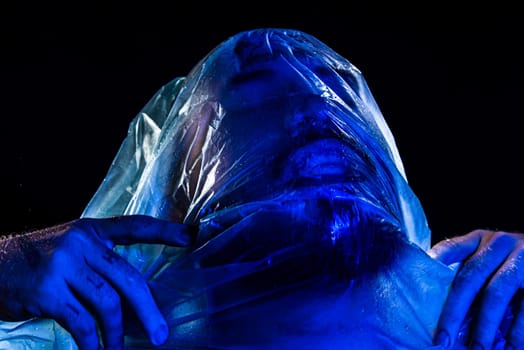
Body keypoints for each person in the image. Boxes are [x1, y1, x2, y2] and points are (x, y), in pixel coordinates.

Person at [0, 28, 522, 349]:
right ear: (176, 188)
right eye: (254, 91)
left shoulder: (496, 327)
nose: (318, 108)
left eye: (341, 94)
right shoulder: (73, 343)